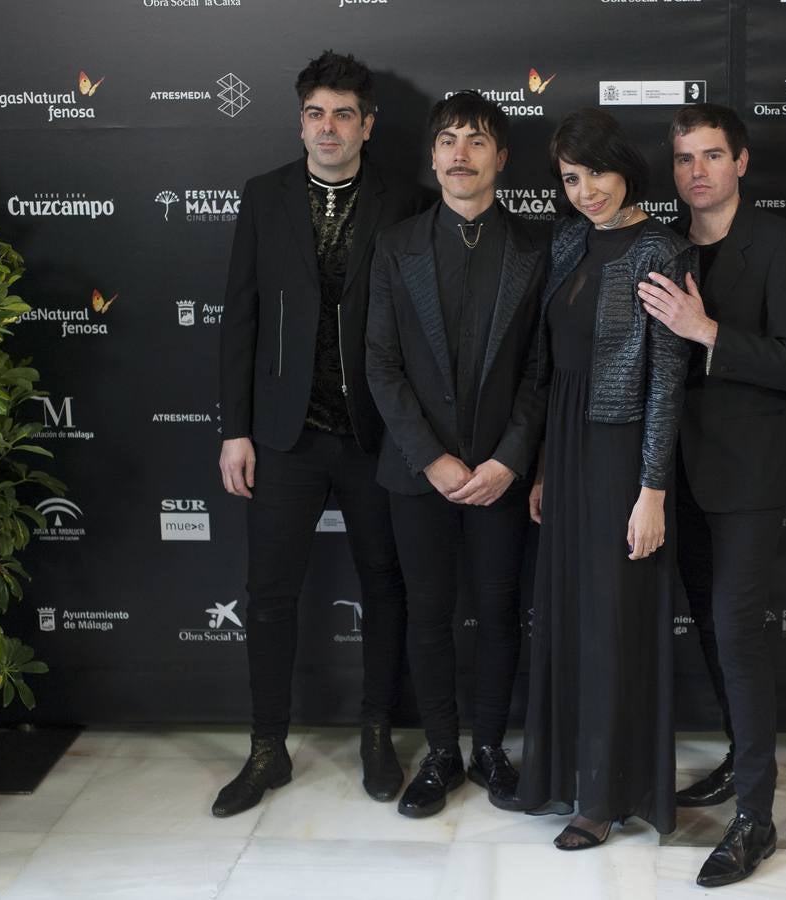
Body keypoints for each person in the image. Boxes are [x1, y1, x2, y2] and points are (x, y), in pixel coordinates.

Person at [213, 50, 420, 818]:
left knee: (385, 587)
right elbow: (240, 319)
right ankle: (267, 748)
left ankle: (375, 733)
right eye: (313, 113)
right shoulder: (263, 196)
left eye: (341, 114)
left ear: (367, 125)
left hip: (375, 435)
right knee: (268, 596)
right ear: (300, 122)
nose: (326, 127)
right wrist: (237, 431)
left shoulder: (404, 199)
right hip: (283, 435)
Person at [637, 103, 786, 887]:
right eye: (684, 159)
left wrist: (707, 330)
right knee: (711, 636)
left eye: (711, 156)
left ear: (740, 163)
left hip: (744, 475)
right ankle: (733, 762)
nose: (697, 172)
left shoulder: (780, 242)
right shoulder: (661, 244)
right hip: (668, 472)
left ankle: (755, 816)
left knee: (735, 633)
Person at [365, 90, 548, 819]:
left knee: (501, 614)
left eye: (476, 141)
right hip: (419, 477)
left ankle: (492, 752)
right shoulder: (396, 245)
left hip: (503, 476)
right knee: (430, 615)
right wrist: (431, 459)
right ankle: (441, 754)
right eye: (447, 140)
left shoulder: (537, 249)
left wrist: (508, 459)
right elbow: (380, 363)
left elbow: (543, 370)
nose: (460, 154)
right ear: (432, 155)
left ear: (500, 157)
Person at [517, 108, 694, 850]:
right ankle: (561, 776)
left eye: (594, 172)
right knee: (567, 616)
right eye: (569, 178)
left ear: (625, 167)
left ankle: (605, 794)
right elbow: (547, 363)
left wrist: (651, 490)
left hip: (623, 452)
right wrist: (540, 466)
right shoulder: (568, 242)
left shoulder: (662, 248)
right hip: (567, 444)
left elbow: (667, 380)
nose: (584, 190)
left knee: (612, 624)